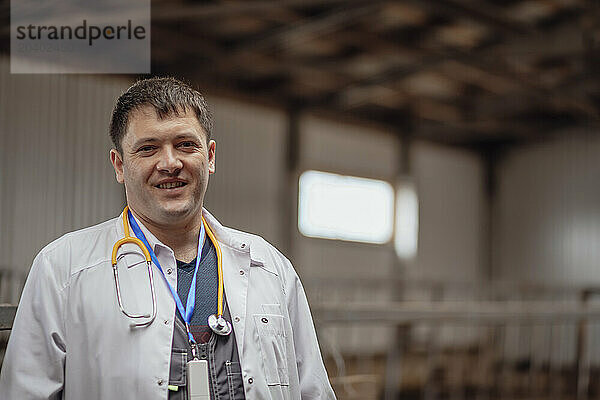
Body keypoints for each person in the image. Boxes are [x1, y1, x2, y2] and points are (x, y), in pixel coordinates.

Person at [0, 77, 336, 400]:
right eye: (148, 149)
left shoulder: (270, 267)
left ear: (211, 156)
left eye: (185, 145)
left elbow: (313, 391)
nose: (170, 163)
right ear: (119, 165)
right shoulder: (63, 269)